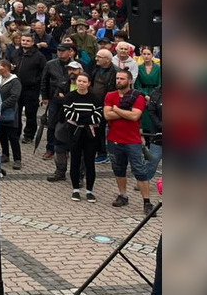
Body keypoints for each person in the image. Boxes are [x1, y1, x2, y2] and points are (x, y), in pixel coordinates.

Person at [105, 69, 154, 214]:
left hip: (132, 141)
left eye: (122, 78)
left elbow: (135, 116)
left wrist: (117, 110)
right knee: (118, 169)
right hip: (114, 140)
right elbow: (107, 115)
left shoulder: (137, 96)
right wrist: (124, 111)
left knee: (140, 171)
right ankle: (123, 195)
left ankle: (147, 201)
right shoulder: (110, 95)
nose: (118, 81)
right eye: (117, 78)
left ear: (130, 81)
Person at [62, 73, 103, 202]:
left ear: (89, 83)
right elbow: (69, 114)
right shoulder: (70, 97)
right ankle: (75, 190)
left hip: (90, 134)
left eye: (84, 81)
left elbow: (98, 116)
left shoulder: (95, 98)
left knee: (90, 162)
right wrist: (86, 118)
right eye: (79, 81)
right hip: (74, 134)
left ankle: (90, 191)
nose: (81, 83)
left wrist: (80, 118)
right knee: (74, 161)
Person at [0, 59, 23, 170]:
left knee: (13, 136)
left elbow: (14, 97)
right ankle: (5, 154)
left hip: (10, 112)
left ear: (6, 68)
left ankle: (17, 159)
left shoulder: (15, 81)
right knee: (2, 134)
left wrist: (0, 106)